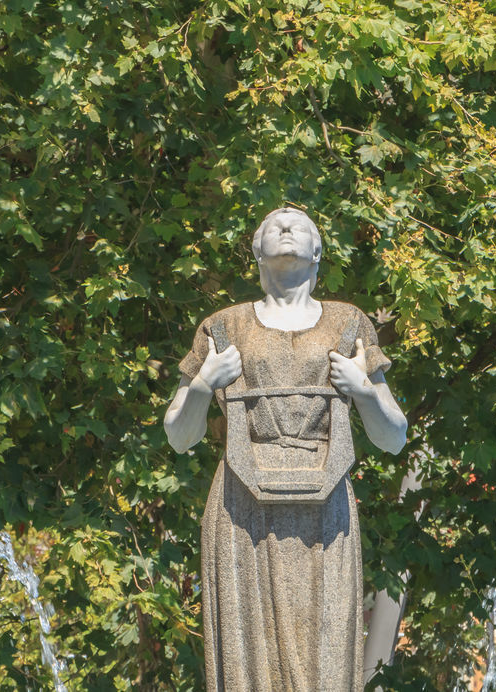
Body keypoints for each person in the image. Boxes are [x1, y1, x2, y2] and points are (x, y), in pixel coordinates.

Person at [164, 208, 407, 691]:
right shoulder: (222, 327)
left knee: (326, 635)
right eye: (275, 224)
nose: (287, 227)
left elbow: (394, 437)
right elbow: (178, 435)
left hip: (326, 505)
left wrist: (363, 389)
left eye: (300, 225)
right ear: (257, 251)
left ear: (317, 252)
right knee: (244, 644)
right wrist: (202, 386)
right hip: (241, 509)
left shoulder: (349, 324)